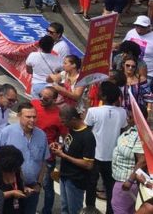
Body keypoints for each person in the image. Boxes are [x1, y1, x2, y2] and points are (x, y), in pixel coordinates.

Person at [0, 101, 49, 214]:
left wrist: (39, 184)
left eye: (34, 117)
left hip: (32, 189)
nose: (32, 120)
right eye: (28, 117)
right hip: (9, 188)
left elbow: (43, 161)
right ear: (19, 116)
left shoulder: (42, 135)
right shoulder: (6, 132)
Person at [84, 81, 127, 214]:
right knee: (110, 188)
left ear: (103, 96)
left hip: (94, 156)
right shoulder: (122, 112)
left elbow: (87, 131)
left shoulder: (92, 111)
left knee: (91, 186)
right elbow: (122, 131)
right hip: (112, 157)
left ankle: (90, 210)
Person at [52, 104, 96, 214]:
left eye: (63, 122)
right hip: (65, 176)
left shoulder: (87, 136)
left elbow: (88, 164)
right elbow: (69, 146)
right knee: (64, 209)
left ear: (73, 119)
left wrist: (64, 156)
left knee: (74, 211)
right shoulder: (72, 129)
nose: (62, 124)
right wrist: (59, 146)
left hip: (75, 180)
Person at [33, 86, 66, 214]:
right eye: (40, 96)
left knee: (47, 186)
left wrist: (58, 146)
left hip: (47, 157)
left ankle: (47, 211)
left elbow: (66, 138)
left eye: (45, 98)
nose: (41, 100)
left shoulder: (59, 115)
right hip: (29, 152)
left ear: (54, 99)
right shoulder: (34, 104)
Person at [110, 108, 145, 214]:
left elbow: (142, 160)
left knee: (119, 208)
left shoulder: (140, 135)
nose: (127, 118)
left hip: (127, 182)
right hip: (122, 180)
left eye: (131, 116)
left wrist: (130, 180)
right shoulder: (130, 131)